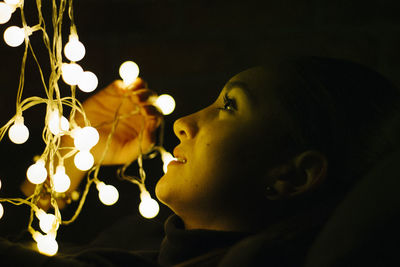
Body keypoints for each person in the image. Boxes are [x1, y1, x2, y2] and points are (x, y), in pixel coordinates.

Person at [3, 56, 400, 266]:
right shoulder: (137, 246)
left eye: (229, 105)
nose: (182, 123)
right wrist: (74, 151)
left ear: (293, 176)